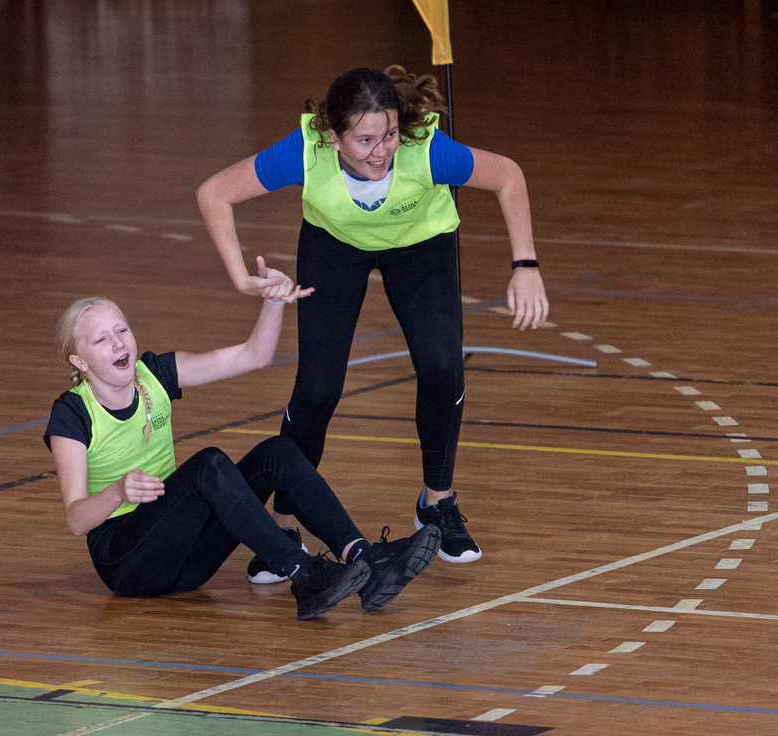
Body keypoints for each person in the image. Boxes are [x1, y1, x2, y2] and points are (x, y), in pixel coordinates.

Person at [196, 65, 549, 568]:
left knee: (443, 369)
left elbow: (508, 176)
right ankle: (284, 525)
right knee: (317, 389)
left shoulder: (426, 149)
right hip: (335, 245)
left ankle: (436, 504)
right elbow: (214, 193)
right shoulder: (305, 151)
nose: (381, 151)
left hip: (421, 244)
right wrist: (239, 276)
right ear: (333, 137)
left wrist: (525, 266)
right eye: (364, 140)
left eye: (389, 135)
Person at [44, 260, 441, 621]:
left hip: (188, 559)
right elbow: (77, 519)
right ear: (79, 361)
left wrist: (273, 302)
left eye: (122, 330)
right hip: (127, 564)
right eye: (101, 340)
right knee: (209, 464)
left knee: (276, 452)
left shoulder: (155, 374)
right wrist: (117, 491)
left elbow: (254, 356)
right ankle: (303, 573)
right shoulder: (72, 414)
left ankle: (368, 561)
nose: (118, 343)